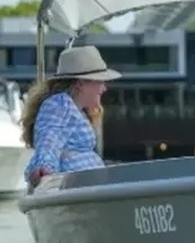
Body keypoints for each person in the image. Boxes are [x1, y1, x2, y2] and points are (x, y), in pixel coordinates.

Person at [21, 45, 121, 187]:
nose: (104, 88)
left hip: (87, 188)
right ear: (80, 84)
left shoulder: (77, 110)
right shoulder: (59, 104)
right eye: (100, 81)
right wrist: (44, 167)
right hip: (74, 191)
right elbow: (50, 136)